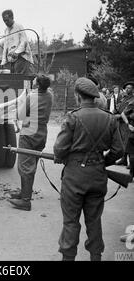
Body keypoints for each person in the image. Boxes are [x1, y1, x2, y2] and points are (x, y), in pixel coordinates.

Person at [53, 77, 123, 261]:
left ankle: (68, 257)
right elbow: (118, 150)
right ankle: (95, 256)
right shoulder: (109, 118)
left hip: (74, 177)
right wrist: (102, 162)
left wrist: (61, 158)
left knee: (70, 222)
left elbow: (59, 150)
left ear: (77, 96)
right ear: (94, 96)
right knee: (94, 222)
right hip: (98, 176)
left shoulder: (72, 117)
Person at [6, 74, 53, 211]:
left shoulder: (31, 97)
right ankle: (24, 193)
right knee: (32, 165)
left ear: (37, 85)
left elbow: (20, 115)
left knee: (25, 166)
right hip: (42, 133)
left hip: (29, 133)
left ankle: (26, 201)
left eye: (35, 80)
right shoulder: (50, 95)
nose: (32, 80)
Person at [0, 9, 36, 76]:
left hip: (22, 57)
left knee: (21, 78)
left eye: (7, 20)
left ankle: (24, 86)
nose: (6, 22)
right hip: (12, 59)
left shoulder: (19, 27)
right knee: (14, 78)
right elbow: (6, 46)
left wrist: (17, 52)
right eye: (4, 21)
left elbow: (24, 41)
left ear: (12, 18)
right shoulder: (6, 31)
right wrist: (3, 61)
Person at [115, 80, 134, 166]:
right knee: (122, 141)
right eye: (126, 88)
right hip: (120, 122)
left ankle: (130, 160)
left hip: (127, 122)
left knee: (128, 141)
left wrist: (119, 116)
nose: (127, 89)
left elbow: (127, 112)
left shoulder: (132, 99)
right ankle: (124, 159)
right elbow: (119, 109)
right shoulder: (124, 98)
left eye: (129, 88)